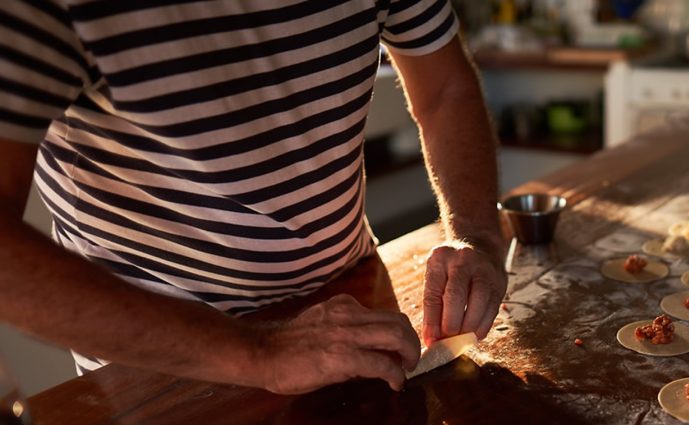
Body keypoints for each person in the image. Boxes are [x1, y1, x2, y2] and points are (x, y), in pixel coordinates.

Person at [0, 1, 506, 394]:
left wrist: (476, 233)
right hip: (164, 375)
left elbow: (444, 91)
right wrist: (260, 352)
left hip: (356, 311)